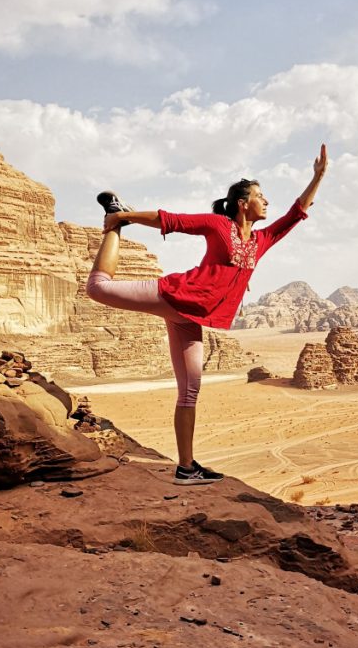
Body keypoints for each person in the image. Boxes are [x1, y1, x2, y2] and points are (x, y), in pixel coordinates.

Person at [86, 144, 329, 484]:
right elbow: (170, 220)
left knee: (189, 391)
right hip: (175, 296)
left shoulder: (262, 239)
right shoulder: (218, 225)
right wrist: (125, 217)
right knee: (97, 289)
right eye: (261, 195)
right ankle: (112, 224)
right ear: (243, 204)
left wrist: (317, 177)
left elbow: (295, 213)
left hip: (193, 320)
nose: (267, 202)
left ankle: (186, 468)